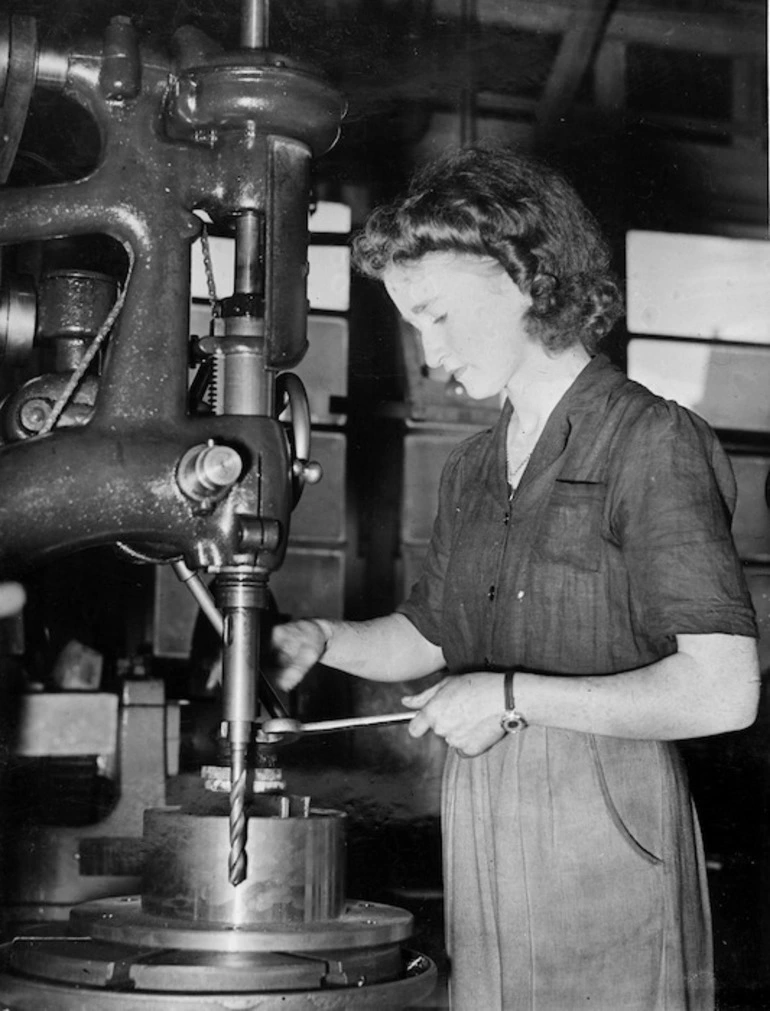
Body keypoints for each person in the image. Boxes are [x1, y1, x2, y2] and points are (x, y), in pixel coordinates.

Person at [271, 145, 760, 1010]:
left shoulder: (649, 441)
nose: (429, 353)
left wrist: (507, 695)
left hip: (605, 816)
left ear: (524, 277)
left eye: (441, 316)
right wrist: (325, 639)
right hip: (482, 808)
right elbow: (430, 633)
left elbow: (723, 693)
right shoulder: (470, 467)